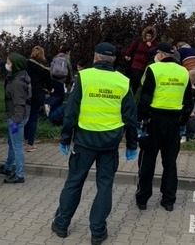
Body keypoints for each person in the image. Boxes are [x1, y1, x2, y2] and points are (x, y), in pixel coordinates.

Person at [51, 42, 138, 245]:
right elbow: (130, 117)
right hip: (109, 144)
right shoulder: (123, 81)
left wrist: (65, 138)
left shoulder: (83, 77)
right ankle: (97, 232)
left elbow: (71, 112)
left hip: (84, 142)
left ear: (95, 57)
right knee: (105, 187)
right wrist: (132, 144)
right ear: (114, 60)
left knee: (74, 183)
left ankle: (62, 225)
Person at [135, 42, 193, 211]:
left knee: (147, 160)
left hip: (154, 121)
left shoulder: (154, 69)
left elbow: (145, 98)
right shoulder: (184, 72)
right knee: (170, 163)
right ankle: (168, 201)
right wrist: (181, 122)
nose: (155, 56)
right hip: (173, 122)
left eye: (156, 53)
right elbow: (188, 102)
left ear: (161, 55)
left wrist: (140, 120)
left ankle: (143, 199)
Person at [0, 53, 31, 184]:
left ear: (15, 65)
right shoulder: (18, 76)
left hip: (16, 117)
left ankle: (20, 175)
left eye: (9, 63)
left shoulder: (17, 83)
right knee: (12, 144)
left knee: (17, 147)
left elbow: (19, 104)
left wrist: (16, 121)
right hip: (16, 116)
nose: (6, 65)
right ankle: (8, 167)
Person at [25, 46, 52, 152]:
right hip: (37, 94)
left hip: (25, 93)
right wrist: (48, 89)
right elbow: (49, 84)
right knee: (33, 118)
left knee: (25, 117)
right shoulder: (44, 67)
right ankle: (30, 144)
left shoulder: (26, 64)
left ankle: (25, 139)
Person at [124, 26, 158, 95]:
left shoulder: (154, 44)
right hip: (136, 62)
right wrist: (127, 54)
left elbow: (155, 52)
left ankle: (136, 94)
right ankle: (131, 92)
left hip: (145, 64)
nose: (148, 37)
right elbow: (132, 47)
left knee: (140, 81)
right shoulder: (139, 41)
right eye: (147, 35)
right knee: (135, 78)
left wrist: (150, 46)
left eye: (150, 36)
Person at [47, 44, 73, 117]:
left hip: (53, 78)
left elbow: (51, 68)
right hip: (60, 80)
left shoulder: (56, 57)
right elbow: (69, 69)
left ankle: (52, 112)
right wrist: (71, 79)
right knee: (61, 96)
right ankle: (50, 107)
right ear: (67, 51)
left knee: (55, 95)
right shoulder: (66, 58)